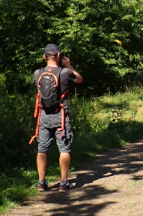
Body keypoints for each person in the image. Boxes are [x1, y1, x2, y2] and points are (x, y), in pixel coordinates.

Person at [31, 44, 83, 192]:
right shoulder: (65, 72)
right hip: (61, 116)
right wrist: (70, 66)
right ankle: (63, 182)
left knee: (42, 149)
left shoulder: (37, 73)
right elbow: (79, 79)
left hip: (44, 116)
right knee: (64, 149)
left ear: (44, 57)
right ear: (58, 55)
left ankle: (41, 182)